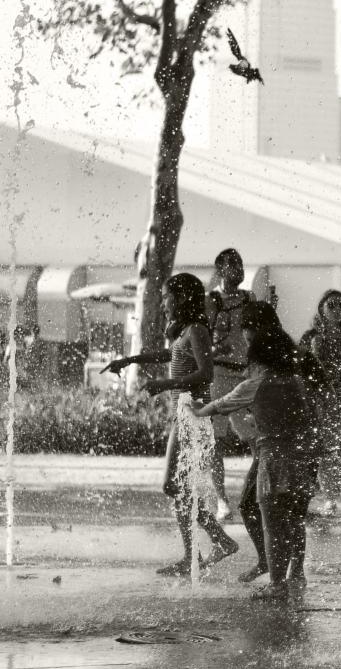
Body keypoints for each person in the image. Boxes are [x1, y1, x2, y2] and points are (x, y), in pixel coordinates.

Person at [104, 273, 238, 575]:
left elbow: (206, 374)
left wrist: (165, 383)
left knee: (174, 485)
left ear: (181, 298)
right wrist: (131, 360)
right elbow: (171, 354)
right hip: (185, 414)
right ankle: (209, 547)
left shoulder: (197, 330)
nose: (163, 302)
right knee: (179, 486)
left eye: (166, 296)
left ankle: (204, 550)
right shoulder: (185, 331)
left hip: (193, 413)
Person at [194, 328, 317, 598]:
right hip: (302, 459)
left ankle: (277, 585)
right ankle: (295, 574)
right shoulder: (297, 382)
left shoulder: (256, 384)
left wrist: (197, 410)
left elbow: (221, 404)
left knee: (272, 525)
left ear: (259, 358)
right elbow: (308, 419)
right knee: (294, 521)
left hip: (273, 460)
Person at [206, 249, 256, 522]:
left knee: (255, 436)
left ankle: (256, 493)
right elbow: (200, 338)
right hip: (218, 375)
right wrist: (215, 348)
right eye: (233, 265)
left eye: (241, 264)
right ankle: (222, 500)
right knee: (216, 440)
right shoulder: (211, 300)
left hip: (245, 375)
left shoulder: (249, 298)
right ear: (220, 270)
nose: (239, 270)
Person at [302, 290, 341, 514]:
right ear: (322, 309)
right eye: (332, 305)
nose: (337, 310)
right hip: (321, 399)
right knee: (324, 449)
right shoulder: (312, 336)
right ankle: (329, 497)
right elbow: (304, 368)